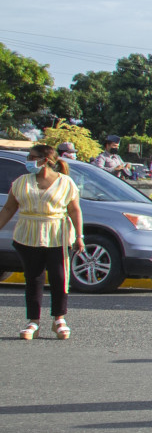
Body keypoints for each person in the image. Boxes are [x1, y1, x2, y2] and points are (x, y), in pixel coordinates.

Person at [1, 141, 84, 340]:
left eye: (32, 157)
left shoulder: (65, 183)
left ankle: (59, 319)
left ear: (45, 160)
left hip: (57, 235)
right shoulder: (21, 182)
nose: (28, 161)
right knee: (33, 278)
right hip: (28, 235)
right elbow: (9, 208)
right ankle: (33, 322)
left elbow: (74, 210)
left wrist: (79, 236)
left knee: (59, 277)